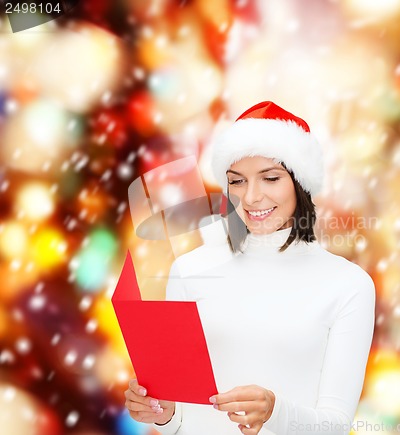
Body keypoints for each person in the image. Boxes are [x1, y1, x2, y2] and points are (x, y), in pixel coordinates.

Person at [123, 101, 376, 435]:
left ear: (301, 184)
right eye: (237, 181)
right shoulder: (190, 270)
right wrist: (164, 413)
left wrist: (276, 411)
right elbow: (182, 420)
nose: (252, 196)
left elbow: (335, 425)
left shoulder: (348, 284)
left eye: (270, 178)